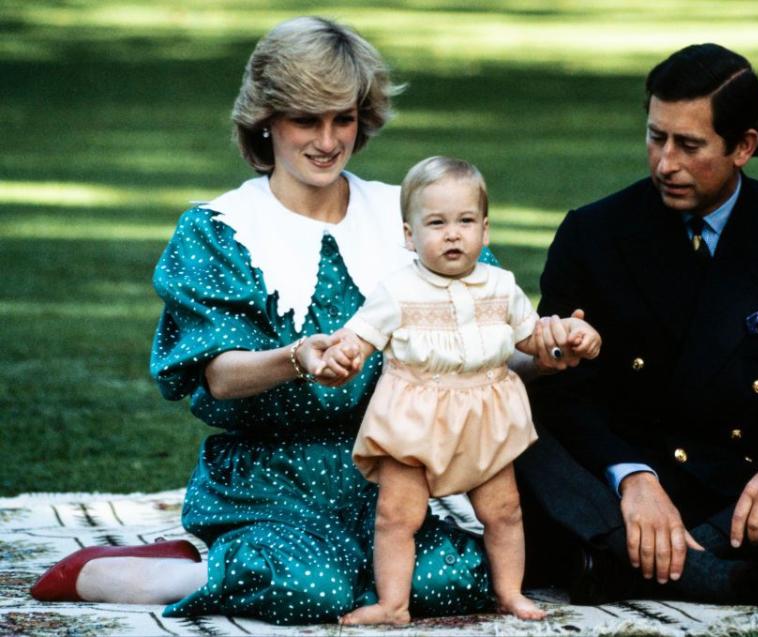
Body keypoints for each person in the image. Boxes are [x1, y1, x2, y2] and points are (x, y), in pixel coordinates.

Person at [29, 16, 571, 625]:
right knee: (310, 589)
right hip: (270, 474)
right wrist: (297, 358)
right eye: (306, 119)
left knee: (461, 578)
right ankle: (169, 570)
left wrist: (548, 353)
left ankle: (248, 567)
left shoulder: (413, 216)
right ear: (266, 120)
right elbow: (219, 376)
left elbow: (490, 345)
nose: (328, 140)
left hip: (388, 471)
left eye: (343, 118)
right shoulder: (220, 230)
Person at [516, 43, 758, 606]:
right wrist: (633, 477)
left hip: (738, 497)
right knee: (511, 405)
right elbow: (564, 394)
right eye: (656, 137)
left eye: (689, 144)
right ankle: (729, 578)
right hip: (616, 493)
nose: (664, 163)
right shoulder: (593, 232)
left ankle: (614, 567)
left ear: (744, 145)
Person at [317, 156, 601, 624]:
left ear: (485, 231)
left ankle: (510, 592)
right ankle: (394, 603)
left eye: (465, 221)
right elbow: (361, 335)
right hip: (414, 417)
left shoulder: (501, 286)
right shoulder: (397, 290)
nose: (453, 234)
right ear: (409, 237)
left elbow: (532, 338)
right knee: (396, 515)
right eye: (436, 223)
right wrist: (343, 351)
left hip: (485, 415)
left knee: (505, 511)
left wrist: (568, 335)